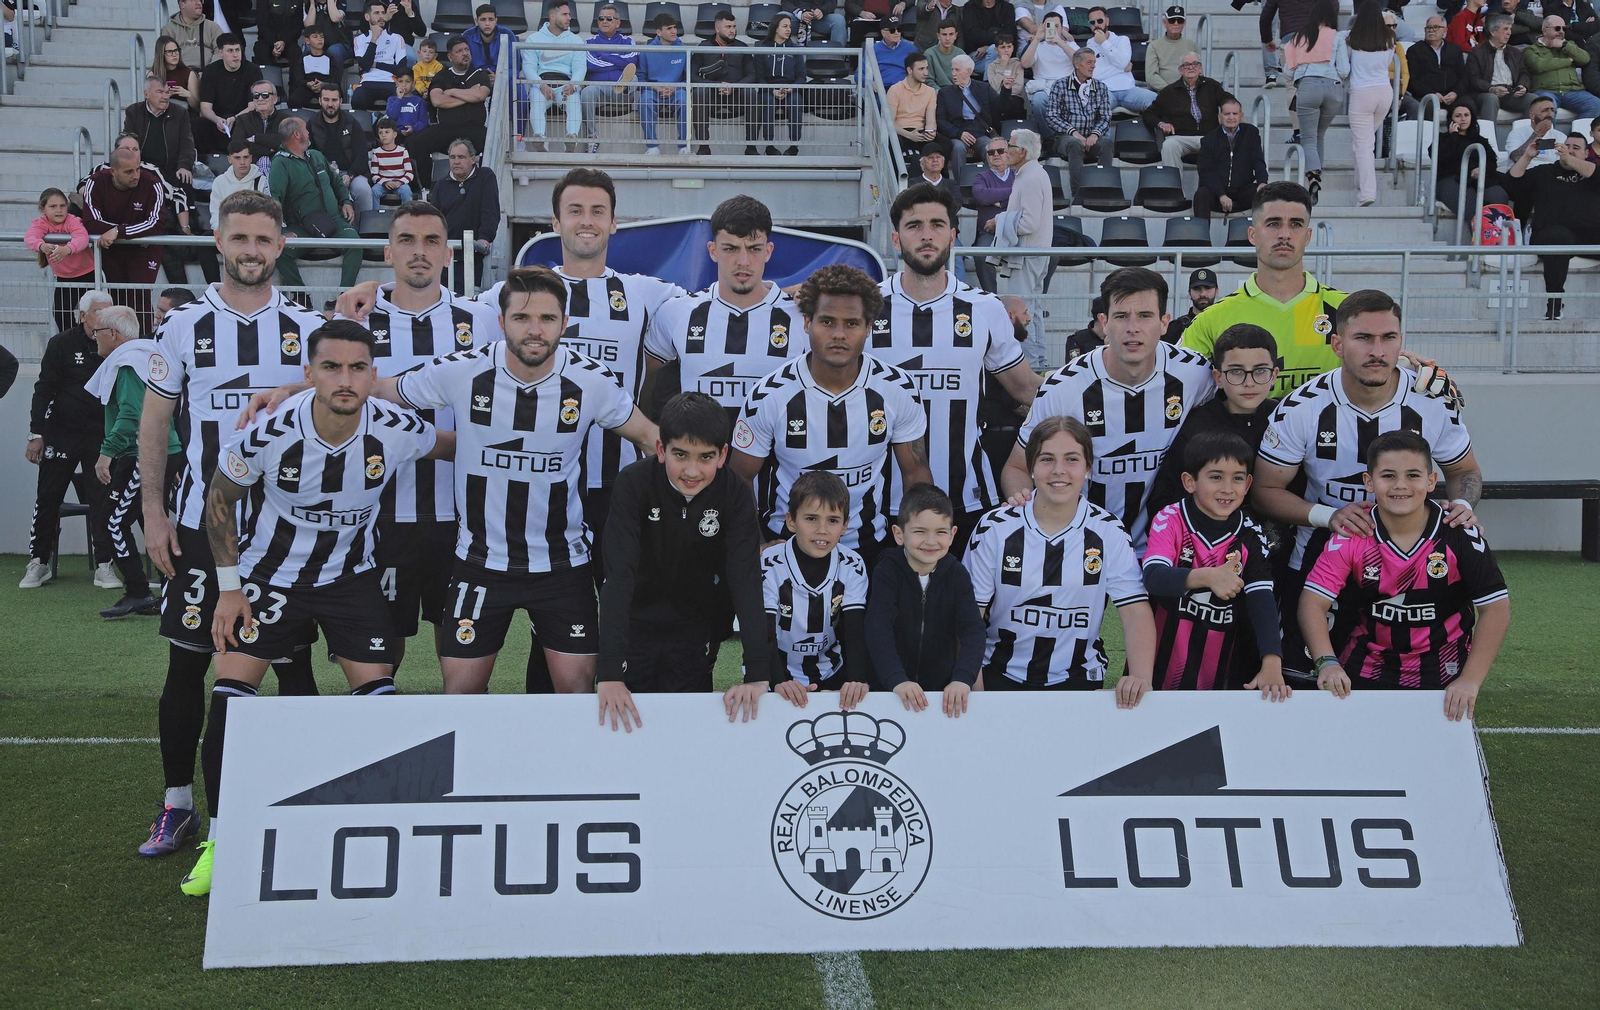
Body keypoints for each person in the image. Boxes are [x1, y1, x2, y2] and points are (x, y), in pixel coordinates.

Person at [189, 320, 446, 897]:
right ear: (308, 374)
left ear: (372, 375)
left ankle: (383, 835)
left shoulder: (396, 428)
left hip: (352, 579)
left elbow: (446, 445)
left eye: (358, 368)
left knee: (379, 706)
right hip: (271, 577)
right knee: (230, 703)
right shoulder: (268, 432)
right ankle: (223, 839)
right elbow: (219, 500)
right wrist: (230, 590)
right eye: (331, 367)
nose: (345, 379)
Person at [135, 190, 324, 863]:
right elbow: (155, 424)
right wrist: (154, 513)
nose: (250, 251)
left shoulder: (308, 330)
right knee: (186, 668)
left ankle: (299, 799)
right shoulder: (182, 326)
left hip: (283, 535)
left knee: (292, 672)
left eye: (263, 240)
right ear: (219, 243)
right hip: (196, 527)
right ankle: (178, 807)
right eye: (238, 239)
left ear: (281, 247)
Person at [1253, 289, 1482, 680]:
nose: (1377, 350)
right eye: (1363, 338)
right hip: (1320, 562)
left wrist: (1464, 506)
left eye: (1388, 338)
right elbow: (1264, 490)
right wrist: (1329, 516)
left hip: (1414, 567)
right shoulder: (1302, 407)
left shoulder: (1432, 401)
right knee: (1306, 686)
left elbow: (1465, 472)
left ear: (1401, 342)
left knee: (1404, 686)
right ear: (1338, 345)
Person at [336, 201, 500, 675]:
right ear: (387, 252)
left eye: (431, 241)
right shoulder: (355, 321)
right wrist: (367, 289)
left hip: (463, 518)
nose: (419, 252)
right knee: (379, 660)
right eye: (406, 240)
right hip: (382, 515)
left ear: (448, 254)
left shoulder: (483, 319)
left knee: (463, 668)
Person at [730, 264, 933, 567]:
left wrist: (918, 542)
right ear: (807, 322)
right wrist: (758, 545)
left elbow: (915, 472)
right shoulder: (770, 394)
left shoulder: (898, 389)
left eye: (851, 323)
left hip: (868, 548)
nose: (839, 334)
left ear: (869, 327)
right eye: (827, 321)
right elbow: (739, 476)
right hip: (786, 546)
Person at [874, 183, 1041, 553]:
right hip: (880, 503)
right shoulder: (867, 307)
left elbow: (1027, 390)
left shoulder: (984, 308)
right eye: (914, 226)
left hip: (966, 499)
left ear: (952, 235)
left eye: (936, 224)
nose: (926, 235)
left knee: (965, 611)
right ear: (896, 238)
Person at [594, 392, 776, 730]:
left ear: (723, 455)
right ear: (661, 450)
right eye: (681, 455)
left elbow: (746, 580)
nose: (692, 471)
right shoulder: (633, 483)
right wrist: (608, 673)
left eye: (705, 457)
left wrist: (756, 672)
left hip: (696, 625)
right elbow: (618, 577)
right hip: (636, 622)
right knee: (628, 721)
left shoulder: (734, 493)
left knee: (686, 726)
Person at [1299, 430, 1508, 720]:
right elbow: (1312, 603)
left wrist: (1470, 680)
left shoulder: (1460, 534)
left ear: (1431, 481)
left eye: (1412, 475)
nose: (1401, 486)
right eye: (1388, 476)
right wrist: (1327, 662)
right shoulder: (1354, 534)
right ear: (1369, 482)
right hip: (1366, 666)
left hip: (1444, 668)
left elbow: (1496, 609)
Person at [1002, 268, 1215, 549]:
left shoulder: (1195, 373)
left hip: (1164, 552)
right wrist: (1028, 516)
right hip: (1082, 548)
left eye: (1145, 316)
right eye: (1121, 316)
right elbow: (1017, 467)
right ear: (1104, 322)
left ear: (1165, 322)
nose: (1133, 328)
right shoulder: (1063, 388)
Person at [967, 415, 1157, 703]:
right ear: (1031, 467)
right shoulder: (995, 528)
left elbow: (1134, 611)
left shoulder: (1109, 531)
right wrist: (976, 691)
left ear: (1088, 468)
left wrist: (1142, 677)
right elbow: (969, 617)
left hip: (1079, 680)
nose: (1059, 471)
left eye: (1071, 459)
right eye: (1046, 460)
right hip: (999, 677)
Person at [1142, 431, 1286, 696]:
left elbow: (1262, 600)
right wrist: (1208, 577)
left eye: (1238, 479)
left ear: (1248, 483)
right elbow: (1153, 576)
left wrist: (1272, 662)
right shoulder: (1171, 518)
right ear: (1189, 482)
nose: (1228, 489)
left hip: (1222, 676)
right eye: (1216, 477)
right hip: (1157, 670)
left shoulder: (1251, 535)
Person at [643, 195, 805, 423]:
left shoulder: (801, 317)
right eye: (730, 248)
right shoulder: (678, 313)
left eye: (754, 249)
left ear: (768, 251)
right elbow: (630, 376)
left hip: (775, 458)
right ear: (712, 250)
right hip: (700, 458)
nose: (743, 261)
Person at [1181, 182, 1347, 395]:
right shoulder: (1212, 319)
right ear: (1252, 235)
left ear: (1308, 237)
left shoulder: (1345, 311)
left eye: (1296, 224)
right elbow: (1177, 388)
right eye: (1273, 223)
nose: (1285, 234)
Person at [85, 305, 181, 619]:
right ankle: (173, 592)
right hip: (162, 451)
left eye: (97, 331)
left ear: (112, 334)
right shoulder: (148, 355)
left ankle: (138, 591)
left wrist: (106, 452)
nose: (93, 337)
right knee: (151, 520)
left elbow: (130, 415)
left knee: (111, 522)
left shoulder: (127, 363)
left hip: (143, 454)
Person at [20, 289, 115, 590]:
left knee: (101, 500)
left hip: (101, 437)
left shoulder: (117, 345)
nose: (105, 317)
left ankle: (104, 565)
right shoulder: (61, 344)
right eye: (100, 311)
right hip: (61, 434)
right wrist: (37, 434)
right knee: (48, 497)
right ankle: (38, 562)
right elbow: (44, 389)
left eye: (110, 312)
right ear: (83, 315)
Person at [865, 482, 985, 715]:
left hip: (941, 695)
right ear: (899, 534)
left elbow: (973, 631)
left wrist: (962, 679)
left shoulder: (957, 575)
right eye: (919, 531)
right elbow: (878, 629)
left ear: (952, 535)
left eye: (940, 532)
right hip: (889, 692)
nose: (931, 541)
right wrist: (896, 680)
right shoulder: (886, 572)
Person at [752, 469, 870, 705]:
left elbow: (854, 631)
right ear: (791, 521)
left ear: (845, 525)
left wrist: (856, 680)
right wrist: (778, 681)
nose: (822, 529)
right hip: (776, 672)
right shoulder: (769, 564)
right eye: (811, 518)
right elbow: (763, 631)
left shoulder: (852, 565)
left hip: (831, 673)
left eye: (833, 520)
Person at [1145, 322, 1280, 519]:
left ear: (1274, 375)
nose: (1249, 382)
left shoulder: (1285, 419)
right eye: (1236, 371)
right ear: (1218, 377)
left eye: (1259, 371)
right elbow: (1167, 497)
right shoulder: (1195, 427)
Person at [1504, 134, 1600, 320]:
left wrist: (1569, 159)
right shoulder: (1543, 172)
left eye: (1576, 148)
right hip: (1552, 234)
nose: (1570, 150)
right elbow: (1511, 185)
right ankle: (1554, 304)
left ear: (1587, 153)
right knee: (1558, 238)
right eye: (1567, 146)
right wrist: (1527, 156)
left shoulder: (1592, 172)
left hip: (1589, 235)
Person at [268, 116, 363, 289]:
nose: (308, 132)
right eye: (305, 129)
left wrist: (346, 201)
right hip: (302, 227)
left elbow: (337, 182)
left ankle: (344, 298)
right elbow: (273, 202)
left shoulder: (316, 156)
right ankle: (302, 298)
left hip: (333, 221)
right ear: (297, 134)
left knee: (355, 245)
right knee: (279, 252)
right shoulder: (280, 163)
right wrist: (280, 232)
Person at [81, 150, 167, 329]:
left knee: (139, 298)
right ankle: (118, 345)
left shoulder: (152, 183)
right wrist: (124, 232)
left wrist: (118, 231)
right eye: (129, 172)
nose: (135, 175)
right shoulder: (95, 182)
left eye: (138, 169)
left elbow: (156, 223)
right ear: (113, 171)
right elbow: (91, 222)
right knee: (117, 299)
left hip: (144, 250)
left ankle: (143, 343)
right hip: (112, 249)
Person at [990, 129, 1054, 369]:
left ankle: (1028, 364)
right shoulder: (1033, 174)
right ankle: (1038, 362)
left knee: (1023, 310)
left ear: (1023, 152)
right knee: (1033, 309)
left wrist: (1000, 221)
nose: (1006, 151)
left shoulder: (1030, 177)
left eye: (1010, 146)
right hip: (1034, 252)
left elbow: (1029, 223)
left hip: (1027, 254)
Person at [405, 35, 491, 188]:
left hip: (473, 129)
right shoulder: (442, 75)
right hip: (447, 129)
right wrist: (467, 95)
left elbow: (480, 95)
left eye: (466, 50)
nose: (465, 53)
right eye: (459, 51)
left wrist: (451, 92)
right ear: (450, 56)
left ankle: (480, 187)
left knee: (490, 143)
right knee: (418, 142)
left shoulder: (480, 74)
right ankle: (425, 188)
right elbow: (437, 100)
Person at [1284, 0, 1344, 205]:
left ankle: (1313, 176)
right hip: (1333, 88)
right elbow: (1344, 70)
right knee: (1320, 134)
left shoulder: (1298, 37)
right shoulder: (1337, 37)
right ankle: (1318, 174)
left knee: (1308, 137)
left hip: (1308, 87)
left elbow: (1287, 71)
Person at [1346, 1, 1398, 208]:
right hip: (1384, 92)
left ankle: (1367, 193)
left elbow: (1346, 66)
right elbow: (1387, 63)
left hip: (1361, 93)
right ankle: (1360, 182)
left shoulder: (1351, 39)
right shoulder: (1390, 39)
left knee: (1363, 145)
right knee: (1365, 141)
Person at [430, 139, 498, 293]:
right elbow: (434, 220)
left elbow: (490, 211)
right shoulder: (440, 185)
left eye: (461, 157)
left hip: (472, 255)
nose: (456, 162)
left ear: (472, 159)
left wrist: (484, 238)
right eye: (452, 157)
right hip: (445, 256)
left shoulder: (485, 177)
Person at [1044, 47, 1113, 194]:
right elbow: (1052, 116)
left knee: (1106, 143)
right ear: (1077, 64)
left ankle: (1104, 190)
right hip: (1066, 138)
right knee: (1075, 144)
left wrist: (1095, 134)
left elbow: (1106, 117)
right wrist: (1074, 133)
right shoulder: (1060, 85)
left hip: (1091, 138)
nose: (1093, 66)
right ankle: (1078, 193)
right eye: (1089, 62)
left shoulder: (1101, 87)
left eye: (1094, 62)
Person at [520, 0, 587, 151]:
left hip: (566, 84)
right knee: (536, 96)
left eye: (569, 14)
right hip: (543, 83)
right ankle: (540, 138)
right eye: (564, 14)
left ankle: (571, 138)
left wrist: (574, 85)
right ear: (552, 16)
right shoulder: (534, 39)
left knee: (574, 98)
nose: (569, 18)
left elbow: (580, 67)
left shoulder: (576, 40)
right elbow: (528, 67)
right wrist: (541, 85)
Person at [26, 188, 95, 333]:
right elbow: (30, 238)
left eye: (62, 206)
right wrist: (42, 246)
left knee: (91, 314)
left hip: (88, 274)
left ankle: (89, 340)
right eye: (53, 206)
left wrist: (67, 250)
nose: (59, 210)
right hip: (64, 278)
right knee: (60, 313)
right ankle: (72, 341)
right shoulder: (40, 223)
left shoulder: (72, 220)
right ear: (42, 209)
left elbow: (82, 237)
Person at [1142, 53, 1224, 168]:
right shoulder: (1169, 91)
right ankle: (1174, 185)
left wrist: (1227, 114)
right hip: (1181, 137)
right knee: (1169, 145)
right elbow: (1148, 114)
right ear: (1180, 70)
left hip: (1208, 136)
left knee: (1225, 143)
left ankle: (1214, 186)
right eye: (1186, 65)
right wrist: (1161, 124)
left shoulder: (1212, 86)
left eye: (1195, 64)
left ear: (1200, 68)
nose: (1191, 67)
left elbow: (1229, 101)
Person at [691, 9, 754, 156]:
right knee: (699, 92)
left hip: (736, 95)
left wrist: (734, 87)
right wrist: (713, 86)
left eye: (733, 26)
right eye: (728, 27)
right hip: (711, 96)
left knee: (751, 93)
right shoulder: (704, 47)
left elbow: (752, 75)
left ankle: (751, 147)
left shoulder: (742, 47)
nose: (732, 30)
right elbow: (692, 75)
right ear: (717, 28)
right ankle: (703, 146)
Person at [1194, 95, 1268, 220]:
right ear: (1220, 117)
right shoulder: (1209, 139)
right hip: (1216, 193)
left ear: (1241, 116)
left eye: (1235, 113)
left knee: (1262, 194)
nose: (1231, 117)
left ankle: (1259, 237)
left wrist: (1262, 181)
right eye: (1227, 114)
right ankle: (1202, 238)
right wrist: (1221, 195)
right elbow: (1205, 171)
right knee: (1201, 195)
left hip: (1242, 191)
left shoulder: (1251, 133)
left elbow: (1258, 159)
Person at [580, 4, 641, 155]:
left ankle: (623, 85)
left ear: (618, 22)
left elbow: (632, 61)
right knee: (587, 92)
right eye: (601, 18)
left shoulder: (629, 41)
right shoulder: (589, 42)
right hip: (599, 89)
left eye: (609, 18)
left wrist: (604, 55)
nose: (604, 21)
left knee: (634, 79)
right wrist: (617, 59)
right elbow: (591, 64)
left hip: (625, 95)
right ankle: (592, 137)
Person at [124, 77, 197, 195]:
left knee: (185, 180)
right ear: (146, 94)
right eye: (160, 92)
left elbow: (187, 144)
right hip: (141, 168)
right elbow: (127, 141)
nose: (165, 97)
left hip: (170, 170)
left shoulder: (180, 113)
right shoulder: (134, 111)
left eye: (167, 92)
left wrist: (184, 166)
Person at [308, 86, 375, 214]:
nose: (330, 104)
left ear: (340, 101)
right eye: (326, 100)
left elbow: (361, 155)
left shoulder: (352, 123)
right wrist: (325, 171)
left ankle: (362, 231)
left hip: (352, 174)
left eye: (334, 100)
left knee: (363, 190)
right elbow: (309, 154)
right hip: (323, 174)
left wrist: (350, 175)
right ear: (320, 101)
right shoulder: (312, 124)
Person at [1437, 101, 1510, 218]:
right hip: (1451, 179)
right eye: (1458, 116)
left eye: (1466, 115)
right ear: (1451, 119)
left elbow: (1492, 163)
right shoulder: (1442, 139)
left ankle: (1494, 235)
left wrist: (1482, 169)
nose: (1463, 119)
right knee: (1471, 206)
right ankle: (1478, 235)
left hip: (1480, 179)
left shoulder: (1480, 140)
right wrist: (1454, 136)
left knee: (1498, 196)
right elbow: (1441, 158)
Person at [196, 34, 265, 156]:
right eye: (230, 50)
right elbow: (205, 107)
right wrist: (217, 119)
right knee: (197, 125)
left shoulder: (252, 70)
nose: (235, 55)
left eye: (237, 50)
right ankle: (205, 161)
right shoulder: (210, 71)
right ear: (220, 52)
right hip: (218, 119)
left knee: (248, 124)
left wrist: (234, 118)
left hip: (243, 117)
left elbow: (253, 105)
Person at [1085, 5, 1157, 111]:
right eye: (1092, 22)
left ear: (1107, 21)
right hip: (1105, 91)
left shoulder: (1122, 40)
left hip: (1128, 90)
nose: (1096, 25)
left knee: (1157, 101)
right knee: (1095, 108)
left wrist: (1104, 43)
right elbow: (1094, 74)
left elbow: (1122, 61)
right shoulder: (1090, 44)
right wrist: (1121, 69)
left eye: (1099, 21)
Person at [937, 53, 1000, 174]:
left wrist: (1007, 90)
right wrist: (959, 133)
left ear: (968, 71)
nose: (953, 73)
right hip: (958, 132)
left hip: (979, 132)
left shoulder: (983, 87)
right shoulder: (945, 92)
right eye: (952, 70)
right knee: (958, 148)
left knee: (990, 148)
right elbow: (940, 120)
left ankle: (992, 182)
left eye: (957, 70)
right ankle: (960, 185)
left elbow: (1000, 106)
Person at [754, 13, 806, 157]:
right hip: (768, 88)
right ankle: (769, 146)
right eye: (785, 26)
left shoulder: (795, 49)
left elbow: (802, 76)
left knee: (796, 100)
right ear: (776, 28)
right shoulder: (761, 47)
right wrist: (772, 90)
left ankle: (794, 147)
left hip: (790, 88)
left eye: (790, 26)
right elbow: (759, 76)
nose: (789, 29)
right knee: (768, 101)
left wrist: (791, 88)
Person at [1526, 15, 1600, 117]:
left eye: (1564, 28)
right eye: (1557, 28)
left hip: (1572, 91)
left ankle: (1576, 133)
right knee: (1547, 107)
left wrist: (1565, 45)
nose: (1561, 31)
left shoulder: (1568, 46)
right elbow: (1539, 65)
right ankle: (1549, 133)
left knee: (1596, 104)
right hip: (1546, 91)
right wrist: (1568, 61)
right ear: (1544, 30)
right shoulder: (1531, 50)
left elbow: (1585, 59)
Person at [1465, 13, 1534, 120]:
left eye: (1510, 29)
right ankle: (1489, 136)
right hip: (1486, 93)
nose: (1509, 33)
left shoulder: (1515, 52)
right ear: (1493, 32)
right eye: (1505, 29)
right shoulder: (1476, 52)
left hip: (1510, 92)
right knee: (1491, 99)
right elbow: (1473, 79)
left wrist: (1522, 86)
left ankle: (1526, 134)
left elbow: (1523, 73)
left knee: (1535, 100)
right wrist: (1491, 88)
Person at [1022, 11, 1076, 142]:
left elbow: (1080, 62)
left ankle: (1066, 135)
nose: (1053, 29)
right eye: (1049, 26)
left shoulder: (1070, 45)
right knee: (1038, 101)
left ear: (1062, 28)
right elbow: (1024, 63)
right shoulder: (1038, 46)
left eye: (1056, 26)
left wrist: (1061, 43)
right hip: (1043, 86)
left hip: (1066, 87)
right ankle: (1049, 138)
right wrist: (1037, 38)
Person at [640, 13, 690, 155]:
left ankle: (684, 146)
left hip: (677, 89)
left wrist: (675, 87)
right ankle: (652, 146)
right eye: (669, 28)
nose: (674, 31)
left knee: (685, 100)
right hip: (653, 90)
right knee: (645, 101)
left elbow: (689, 78)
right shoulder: (647, 51)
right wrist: (655, 87)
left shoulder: (684, 50)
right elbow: (641, 79)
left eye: (674, 27)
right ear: (659, 32)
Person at [971, 136, 1015, 291]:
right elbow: (982, 196)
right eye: (991, 152)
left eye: (1000, 151)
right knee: (981, 255)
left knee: (1049, 255)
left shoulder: (1019, 174)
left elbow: (1026, 199)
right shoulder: (981, 177)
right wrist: (1013, 193)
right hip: (989, 232)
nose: (996, 154)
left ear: (1008, 152)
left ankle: (1031, 301)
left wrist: (998, 201)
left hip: (1018, 230)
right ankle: (992, 298)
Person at [350, 0, 407, 110]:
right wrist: (374, 39)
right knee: (357, 100)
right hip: (367, 82)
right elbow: (365, 66)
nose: (381, 16)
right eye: (376, 13)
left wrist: (376, 64)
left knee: (400, 101)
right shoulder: (359, 39)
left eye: (382, 12)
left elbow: (401, 69)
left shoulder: (397, 38)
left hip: (390, 82)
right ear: (367, 17)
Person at [1408, 15, 1467, 118]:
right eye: (1428, 27)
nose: (1431, 30)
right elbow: (1413, 80)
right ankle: (1428, 134)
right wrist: (1433, 93)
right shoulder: (1415, 50)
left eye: (1436, 27)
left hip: (1452, 94)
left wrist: (1455, 93)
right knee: (1429, 106)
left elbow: (1463, 77)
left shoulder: (1455, 49)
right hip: (1426, 95)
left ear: (1445, 30)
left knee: (1467, 106)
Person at [887, 51, 939, 165]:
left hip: (920, 132)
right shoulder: (895, 89)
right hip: (901, 132)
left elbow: (931, 120)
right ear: (909, 70)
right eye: (921, 69)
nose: (925, 73)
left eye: (926, 68)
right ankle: (895, 179)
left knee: (945, 143)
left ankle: (941, 180)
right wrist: (909, 135)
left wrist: (931, 131)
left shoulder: (930, 91)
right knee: (893, 141)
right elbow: (889, 122)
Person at [1260, 0, 1319, 89]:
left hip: (1289, 40)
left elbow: (1265, 17)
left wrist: (1267, 40)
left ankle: (1271, 74)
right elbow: (1333, 5)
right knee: (1315, 81)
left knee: (1291, 86)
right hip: (1313, 38)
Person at [210, 137, 271, 223]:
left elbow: (267, 214)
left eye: (246, 157)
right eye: (237, 158)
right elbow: (216, 215)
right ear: (229, 159)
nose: (242, 162)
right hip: (227, 232)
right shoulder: (219, 182)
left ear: (251, 158)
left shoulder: (262, 181)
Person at [232, 78, 290, 164]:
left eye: (265, 95)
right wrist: (269, 149)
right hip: (250, 169)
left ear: (275, 99)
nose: (260, 99)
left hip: (278, 167)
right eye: (256, 95)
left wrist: (256, 138)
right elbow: (237, 146)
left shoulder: (285, 120)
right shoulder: (243, 119)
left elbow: (286, 143)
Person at [1146, 5, 1200, 92]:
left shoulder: (1192, 45)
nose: (1176, 24)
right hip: (1163, 92)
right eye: (1172, 20)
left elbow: (1198, 72)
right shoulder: (1154, 46)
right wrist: (1171, 91)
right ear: (1164, 23)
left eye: (1180, 21)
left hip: (1188, 92)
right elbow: (1151, 76)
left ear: (1184, 23)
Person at [1504, 94, 1567, 168]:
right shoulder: (1517, 133)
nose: (1550, 114)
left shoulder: (1561, 136)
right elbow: (1516, 158)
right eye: (1545, 110)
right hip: (1524, 173)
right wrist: (1537, 134)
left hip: (1550, 175)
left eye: (1552, 110)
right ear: (1532, 116)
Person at [287, 24, 340, 108]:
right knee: (293, 100)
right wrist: (308, 84)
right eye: (315, 37)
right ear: (307, 41)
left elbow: (336, 77)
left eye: (321, 37)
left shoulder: (330, 58)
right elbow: (299, 78)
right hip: (307, 86)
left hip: (326, 86)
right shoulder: (303, 58)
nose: (320, 39)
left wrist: (323, 84)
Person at [1163, 267, 1219, 345]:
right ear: (1189, 293)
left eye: (1207, 288)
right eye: (1197, 289)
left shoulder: (1225, 325)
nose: (1202, 294)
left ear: (1216, 291)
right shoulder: (1173, 329)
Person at [368, 116, 416, 203]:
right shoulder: (377, 152)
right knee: (374, 191)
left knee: (406, 192)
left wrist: (399, 182)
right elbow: (374, 175)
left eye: (387, 132)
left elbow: (409, 174)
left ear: (395, 134)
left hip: (400, 183)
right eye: (380, 133)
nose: (383, 135)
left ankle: (406, 214)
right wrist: (384, 183)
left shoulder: (403, 151)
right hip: (383, 183)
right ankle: (375, 215)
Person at [167, 0, 223, 69]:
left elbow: (221, 51)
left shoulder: (212, 27)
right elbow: (163, 56)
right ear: (182, 4)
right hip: (179, 75)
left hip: (207, 75)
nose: (199, 3)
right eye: (194, 0)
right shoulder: (169, 29)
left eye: (200, 0)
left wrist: (209, 71)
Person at [463, 3, 515, 77]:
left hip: (503, 80)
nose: (487, 24)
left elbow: (514, 66)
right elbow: (462, 65)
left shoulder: (508, 35)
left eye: (491, 19)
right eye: (483, 20)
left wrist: (499, 78)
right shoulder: (467, 36)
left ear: (496, 20)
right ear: (476, 21)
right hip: (475, 79)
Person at [962, 0, 1013, 75]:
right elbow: (973, 34)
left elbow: (1010, 33)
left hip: (1002, 53)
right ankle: (990, 84)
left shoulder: (1007, 7)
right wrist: (996, 39)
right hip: (977, 55)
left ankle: (990, 84)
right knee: (994, 52)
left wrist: (988, 47)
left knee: (994, 51)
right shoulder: (970, 7)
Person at [154, 35, 201, 109]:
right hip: (162, 116)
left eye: (176, 50)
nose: (174, 55)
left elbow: (197, 107)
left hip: (186, 116)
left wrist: (188, 95)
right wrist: (165, 96)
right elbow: (150, 105)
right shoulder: (154, 74)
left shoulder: (188, 73)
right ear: (161, 53)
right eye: (169, 52)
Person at [985, 32, 1026, 119]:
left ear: (1013, 48)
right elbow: (993, 87)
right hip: (997, 98)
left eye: (1009, 46)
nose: (1006, 50)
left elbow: (1018, 87)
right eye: (1003, 47)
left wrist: (1004, 92)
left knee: (1014, 104)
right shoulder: (992, 66)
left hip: (1014, 97)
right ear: (996, 50)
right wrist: (1002, 66)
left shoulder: (1017, 64)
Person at [303, 0, 353, 67]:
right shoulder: (307, 3)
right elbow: (309, 25)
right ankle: (313, 76)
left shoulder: (339, 1)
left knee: (333, 51)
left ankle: (334, 77)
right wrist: (312, 4)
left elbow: (335, 18)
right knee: (309, 48)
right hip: (319, 43)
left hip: (339, 43)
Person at [255, 0, 305, 67]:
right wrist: (274, 44)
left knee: (296, 53)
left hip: (288, 41)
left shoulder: (297, 1)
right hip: (267, 40)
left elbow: (297, 27)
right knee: (260, 49)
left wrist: (284, 41)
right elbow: (262, 24)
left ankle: (296, 78)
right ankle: (268, 77)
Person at [924, 21, 967, 88]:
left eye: (951, 34)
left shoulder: (961, 54)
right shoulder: (930, 54)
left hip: (957, 92)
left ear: (955, 36)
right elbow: (929, 80)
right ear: (938, 36)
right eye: (944, 34)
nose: (947, 38)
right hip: (937, 92)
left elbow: (964, 79)